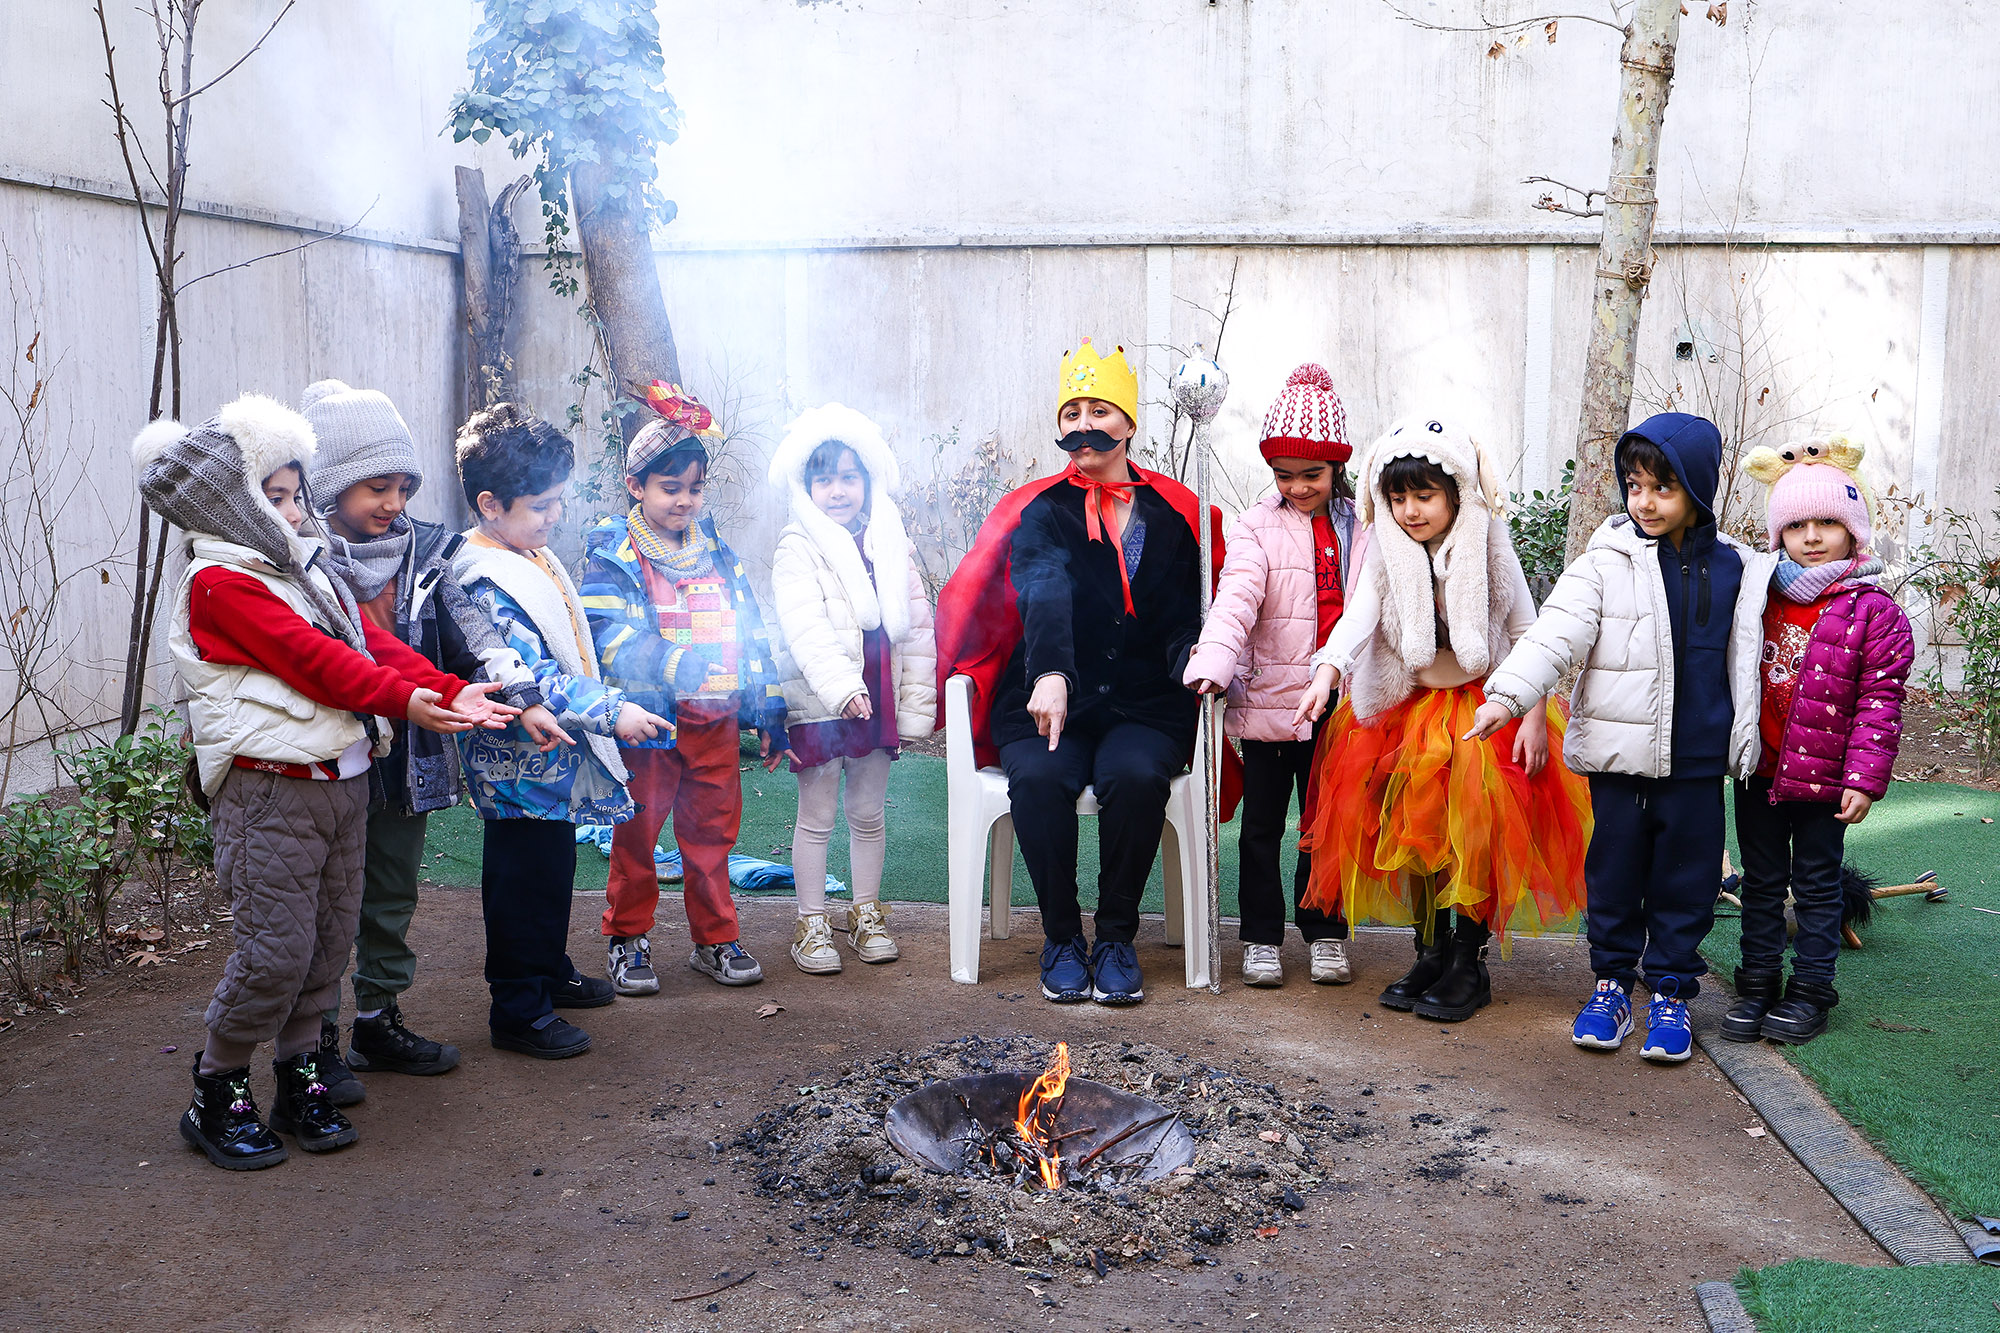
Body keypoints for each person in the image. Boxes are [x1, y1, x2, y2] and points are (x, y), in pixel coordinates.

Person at [134, 394, 512, 1170]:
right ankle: (217, 1088)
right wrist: (407, 702)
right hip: (271, 790)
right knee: (274, 951)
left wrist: (446, 687)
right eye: (272, 496)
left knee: (325, 945)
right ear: (229, 503)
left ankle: (299, 1073)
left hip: (341, 783)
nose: (292, 511)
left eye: (295, 494)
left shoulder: (305, 570)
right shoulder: (222, 582)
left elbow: (369, 642)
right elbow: (318, 661)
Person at [1469, 412, 1778, 1063]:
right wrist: (1508, 695)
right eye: (1635, 485)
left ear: (1697, 489)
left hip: (1697, 763)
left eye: (1662, 487)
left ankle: (1670, 992)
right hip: (1620, 762)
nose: (1644, 501)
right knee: (1613, 877)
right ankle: (1611, 985)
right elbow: (1555, 632)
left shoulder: (1737, 569)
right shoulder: (1603, 563)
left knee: (1687, 882)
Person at [935, 339, 1224, 1007]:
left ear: (1128, 423)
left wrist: (1194, 660)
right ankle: (1062, 938)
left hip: (1142, 703)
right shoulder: (1041, 512)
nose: (1083, 425)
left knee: (1137, 775)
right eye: (1071, 413)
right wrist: (1051, 674)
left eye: (1099, 410)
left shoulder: (1172, 518)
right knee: (1039, 776)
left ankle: (1116, 938)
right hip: (1046, 696)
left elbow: (1182, 618)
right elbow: (1043, 592)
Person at [1295, 416, 1591, 1024]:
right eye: (1397, 497)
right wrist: (1327, 670)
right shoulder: (1387, 552)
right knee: (1416, 835)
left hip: (1485, 711)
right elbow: (1360, 617)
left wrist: (1534, 716)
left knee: (1473, 836)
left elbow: (1527, 633)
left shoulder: (1490, 545)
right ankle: (1429, 952)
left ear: (1457, 492)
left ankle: (1468, 960)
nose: (1410, 511)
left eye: (1425, 495)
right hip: (1409, 710)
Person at [302, 379, 542, 1103]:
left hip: (410, 754)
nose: (394, 503)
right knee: (326, 901)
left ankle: (376, 1017)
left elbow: (476, 632)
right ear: (329, 485)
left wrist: (520, 692)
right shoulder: (301, 560)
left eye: (404, 487)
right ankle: (313, 1040)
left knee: (390, 892)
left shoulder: (428, 552)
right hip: (330, 755)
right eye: (376, 487)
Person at [453, 403, 668, 1060]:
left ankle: (547, 970)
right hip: (513, 764)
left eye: (558, 501)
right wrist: (612, 711)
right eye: (542, 505)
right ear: (490, 505)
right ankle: (517, 1005)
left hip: (549, 758)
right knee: (520, 879)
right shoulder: (482, 576)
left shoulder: (526, 550)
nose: (555, 516)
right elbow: (533, 673)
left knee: (552, 865)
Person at [580, 385, 790, 992]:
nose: (684, 501)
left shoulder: (719, 554)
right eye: (669, 488)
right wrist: (673, 664)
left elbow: (751, 633)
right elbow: (601, 632)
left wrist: (768, 710)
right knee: (637, 834)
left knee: (711, 836)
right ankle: (627, 938)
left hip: (715, 724)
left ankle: (715, 940)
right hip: (649, 725)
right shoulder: (614, 555)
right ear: (636, 486)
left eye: (694, 489)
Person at [1721, 438, 1912, 1044]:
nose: (1811, 537)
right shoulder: (1757, 597)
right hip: (1759, 771)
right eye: (1796, 525)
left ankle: (1810, 992)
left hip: (1826, 782)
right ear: (1778, 532)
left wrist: (1864, 780)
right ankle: (1757, 983)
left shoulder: (1874, 611)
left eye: (1827, 523)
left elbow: (1879, 702)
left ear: (1853, 531)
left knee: (1817, 886)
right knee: (1760, 881)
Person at [1184, 364, 1363, 988]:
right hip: (1269, 703)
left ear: (1336, 466)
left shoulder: (1360, 526)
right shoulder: (1255, 527)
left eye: (1312, 474)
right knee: (1260, 828)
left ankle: (1325, 932)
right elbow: (1235, 597)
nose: (1298, 487)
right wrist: (1214, 661)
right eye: (1284, 475)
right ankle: (1261, 937)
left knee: (1325, 826)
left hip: (1337, 705)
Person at [766, 404, 937, 974]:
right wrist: (841, 687)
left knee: (867, 811)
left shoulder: (889, 540)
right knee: (816, 815)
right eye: (824, 480)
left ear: (869, 480)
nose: (837, 491)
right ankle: (811, 921)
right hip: (820, 701)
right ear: (805, 485)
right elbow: (804, 626)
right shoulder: (797, 545)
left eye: (848, 477)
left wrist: (915, 705)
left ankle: (865, 912)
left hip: (877, 694)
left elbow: (918, 627)